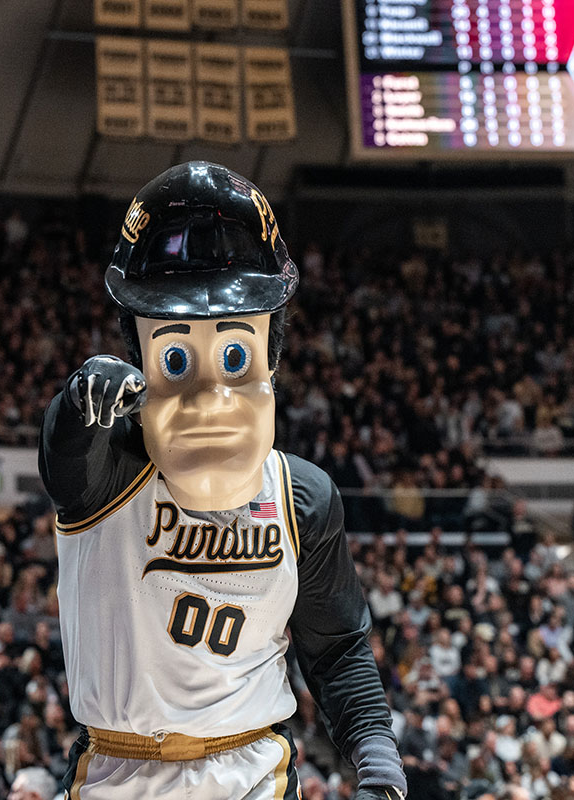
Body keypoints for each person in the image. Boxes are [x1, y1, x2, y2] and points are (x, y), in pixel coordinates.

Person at [38, 162, 405, 800]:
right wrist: (78, 399)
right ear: (140, 355)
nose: (210, 396)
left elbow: (337, 650)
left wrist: (378, 760)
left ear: (272, 353)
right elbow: (64, 461)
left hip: (252, 771)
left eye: (235, 355)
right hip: (119, 772)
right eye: (175, 358)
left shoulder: (302, 498)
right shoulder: (112, 467)